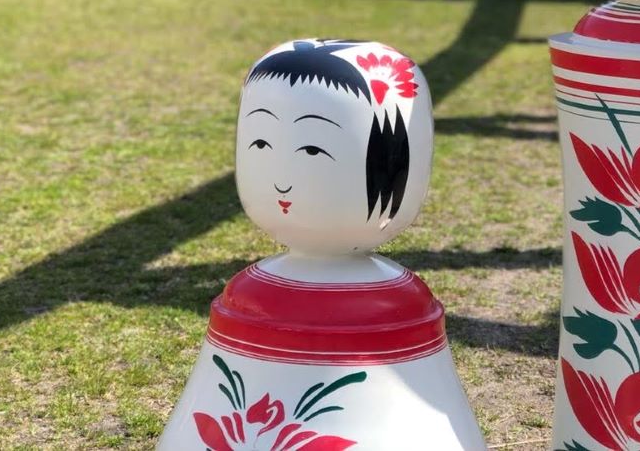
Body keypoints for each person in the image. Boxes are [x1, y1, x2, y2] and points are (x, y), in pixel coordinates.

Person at [158, 39, 484, 451]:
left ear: (393, 160)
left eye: (312, 149)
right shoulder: (252, 294)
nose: (282, 181)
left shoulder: (392, 301)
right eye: (261, 144)